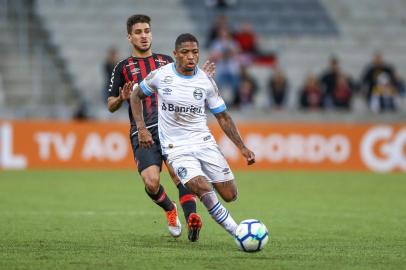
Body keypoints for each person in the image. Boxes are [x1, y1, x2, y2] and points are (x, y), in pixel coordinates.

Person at [130, 33, 255, 239]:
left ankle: (206, 194)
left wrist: (242, 147)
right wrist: (142, 128)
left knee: (230, 195)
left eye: (195, 52)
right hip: (175, 147)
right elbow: (136, 95)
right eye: (185, 52)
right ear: (175, 54)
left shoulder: (205, 81)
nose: (191, 56)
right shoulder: (161, 75)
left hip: (204, 143)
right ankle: (238, 232)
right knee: (203, 188)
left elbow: (223, 116)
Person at [107, 15, 215, 241]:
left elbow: (189, 81)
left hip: (173, 128)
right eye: (138, 32)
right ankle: (169, 207)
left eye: (147, 31)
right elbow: (110, 105)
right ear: (129, 37)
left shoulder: (167, 61)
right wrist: (121, 98)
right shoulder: (123, 67)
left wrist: (202, 78)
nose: (144, 36)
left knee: (181, 175)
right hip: (143, 129)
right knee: (151, 182)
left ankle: (192, 219)